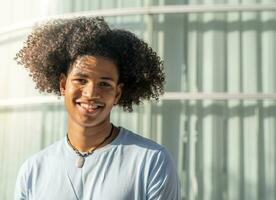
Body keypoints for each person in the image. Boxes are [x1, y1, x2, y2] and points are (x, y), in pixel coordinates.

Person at [14, 16, 180, 200]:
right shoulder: (33, 170)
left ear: (117, 93)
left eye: (104, 84)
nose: (91, 92)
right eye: (81, 80)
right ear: (63, 84)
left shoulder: (151, 161)